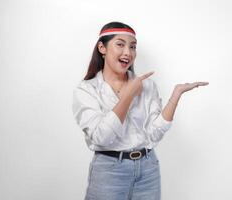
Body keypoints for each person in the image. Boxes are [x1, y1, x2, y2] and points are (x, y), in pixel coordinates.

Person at [72, 21, 208, 200]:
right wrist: (128, 96)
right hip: (109, 171)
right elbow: (101, 137)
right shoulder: (87, 90)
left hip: (148, 169)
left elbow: (154, 134)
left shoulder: (147, 85)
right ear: (102, 48)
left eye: (133, 46)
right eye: (120, 44)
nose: (128, 52)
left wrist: (175, 96)